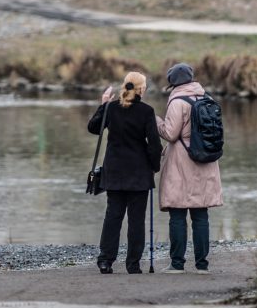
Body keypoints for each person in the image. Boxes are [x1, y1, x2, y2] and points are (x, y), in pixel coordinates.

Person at [87, 72, 163, 274]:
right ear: (142, 89)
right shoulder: (147, 111)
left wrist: (103, 104)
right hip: (139, 174)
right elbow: (155, 146)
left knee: (113, 216)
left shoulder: (111, 108)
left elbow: (94, 128)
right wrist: (155, 167)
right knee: (136, 220)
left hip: (114, 172)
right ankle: (133, 264)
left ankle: (105, 261)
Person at [156, 63, 223, 275]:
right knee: (200, 214)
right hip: (206, 161)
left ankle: (177, 264)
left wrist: (155, 120)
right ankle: (202, 265)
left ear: (173, 83)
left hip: (182, 163)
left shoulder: (177, 102)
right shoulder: (207, 99)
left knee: (177, 213)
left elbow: (170, 133)